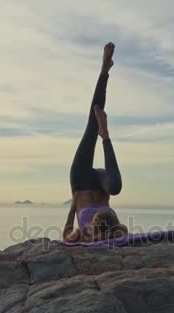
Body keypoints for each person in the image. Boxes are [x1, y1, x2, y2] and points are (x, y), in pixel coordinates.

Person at [63, 42, 127, 243]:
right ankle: (105, 136)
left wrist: (73, 207)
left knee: (91, 127)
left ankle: (104, 71)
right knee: (115, 187)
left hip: (80, 181)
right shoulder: (112, 224)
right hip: (101, 182)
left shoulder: (83, 235)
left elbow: (66, 235)